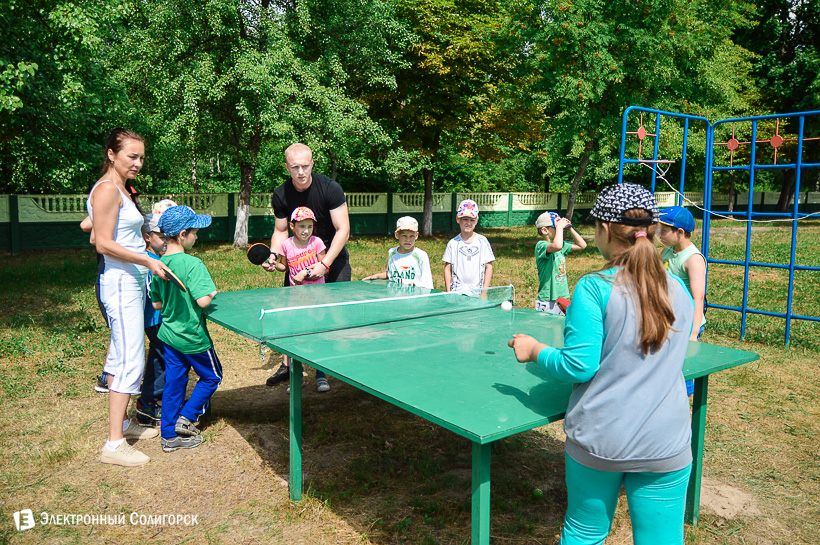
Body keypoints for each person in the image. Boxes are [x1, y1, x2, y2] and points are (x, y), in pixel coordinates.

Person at [508, 183, 695, 545]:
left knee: (585, 532)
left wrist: (534, 351)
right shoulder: (678, 288)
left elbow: (578, 366)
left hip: (602, 440)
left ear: (605, 230)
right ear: (653, 231)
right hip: (667, 442)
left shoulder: (593, 287)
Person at [87, 127, 167, 467]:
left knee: (125, 353)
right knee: (129, 359)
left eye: (141, 157)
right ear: (111, 154)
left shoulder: (119, 188)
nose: (138, 163)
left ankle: (123, 425)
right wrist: (147, 258)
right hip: (119, 282)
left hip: (130, 281)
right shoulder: (107, 189)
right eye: (132, 156)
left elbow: (98, 229)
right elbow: (101, 243)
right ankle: (114, 445)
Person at [262, 143, 350, 390]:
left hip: (331, 255)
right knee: (295, 316)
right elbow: (280, 231)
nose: (301, 172)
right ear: (287, 167)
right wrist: (273, 256)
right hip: (298, 262)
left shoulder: (330, 188)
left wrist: (324, 264)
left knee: (334, 314)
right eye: (295, 167)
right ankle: (290, 367)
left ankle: (332, 365)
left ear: (312, 164)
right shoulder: (281, 194)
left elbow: (343, 229)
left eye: (305, 165)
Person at [150, 205, 222, 453]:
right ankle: (188, 417)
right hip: (193, 338)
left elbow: (157, 303)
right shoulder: (193, 264)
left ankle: (169, 436)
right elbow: (203, 301)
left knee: (174, 384)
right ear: (182, 235)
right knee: (213, 376)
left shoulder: (159, 265)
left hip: (170, 336)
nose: (197, 236)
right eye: (194, 232)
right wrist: (212, 292)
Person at [81, 181, 141, 393]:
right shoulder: (107, 192)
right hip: (112, 275)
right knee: (122, 339)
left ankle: (109, 377)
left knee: (121, 338)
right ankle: (108, 377)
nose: (136, 200)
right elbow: (91, 233)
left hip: (125, 277)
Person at [134, 200, 177, 428]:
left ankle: (151, 403)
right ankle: (149, 401)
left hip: (162, 320)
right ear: (147, 236)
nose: (166, 241)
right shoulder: (149, 262)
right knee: (169, 359)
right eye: (162, 236)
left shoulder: (163, 258)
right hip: (156, 321)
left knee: (158, 359)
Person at [659, 205, 707, 397]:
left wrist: (693, 333)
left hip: (687, 325)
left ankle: (683, 409)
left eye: (663, 230)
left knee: (684, 370)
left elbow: (698, 298)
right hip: (670, 321)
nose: (659, 233)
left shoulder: (693, 259)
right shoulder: (667, 252)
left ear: (679, 232)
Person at [534, 211, 587, 315]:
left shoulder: (561, 245)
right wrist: (560, 227)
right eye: (556, 227)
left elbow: (582, 245)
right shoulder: (541, 246)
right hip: (547, 302)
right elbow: (557, 246)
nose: (560, 230)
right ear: (545, 230)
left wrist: (570, 228)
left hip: (559, 299)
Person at [363, 216, 434, 289]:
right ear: (397, 235)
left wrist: (416, 287)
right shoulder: (392, 253)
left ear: (416, 236)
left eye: (411, 236)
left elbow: (427, 283)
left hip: (414, 298)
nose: (408, 240)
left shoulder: (421, 255)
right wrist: (375, 276)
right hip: (395, 296)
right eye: (404, 235)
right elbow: (391, 274)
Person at [443, 199, 495, 294]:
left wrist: (484, 292)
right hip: (457, 293)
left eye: (472, 220)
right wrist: (448, 292)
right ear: (458, 219)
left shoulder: (482, 242)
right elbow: (447, 269)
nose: (468, 223)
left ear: (476, 221)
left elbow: (489, 267)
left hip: (477, 292)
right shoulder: (453, 243)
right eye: (465, 219)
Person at [273, 207, 327, 286]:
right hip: (296, 292)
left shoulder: (317, 242)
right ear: (292, 226)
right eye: (302, 226)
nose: (306, 231)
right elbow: (283, 266)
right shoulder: (286, 244)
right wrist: (275, 265)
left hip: (317, 291)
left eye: (310, 226)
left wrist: (304, 273)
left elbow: (324, 267)